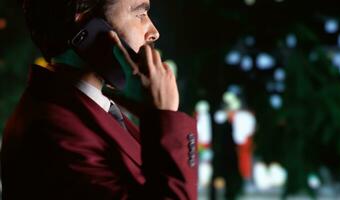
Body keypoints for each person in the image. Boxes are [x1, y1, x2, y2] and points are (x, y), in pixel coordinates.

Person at [0, 0, 198, 199]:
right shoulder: (54, 133)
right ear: (88, 26)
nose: (154, 32)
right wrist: (165, 118)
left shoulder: (89, 108)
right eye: (139, 13)